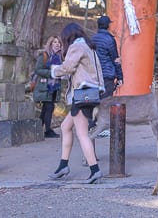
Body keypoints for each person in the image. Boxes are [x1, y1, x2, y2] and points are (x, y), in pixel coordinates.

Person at [48, 23, 105, 183]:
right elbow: (79, 71)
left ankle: (95, 170)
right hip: (90, 92)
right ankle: (63, 166)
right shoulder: (89, 47)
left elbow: (67, 68)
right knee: (65, 127)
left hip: (82, 94)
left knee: (82, 134)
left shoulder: (76, 47)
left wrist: (52, 70)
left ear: (68, 36)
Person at [33, 35, 64, 138]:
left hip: (55, 87)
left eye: (59, 42)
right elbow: (38, 69)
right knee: (49, 107)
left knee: (47, 108)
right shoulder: (45, 56)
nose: (57, 44)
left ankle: (38, 129)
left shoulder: (60, 57)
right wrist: (51, 73)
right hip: (45, 86)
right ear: (50, 44)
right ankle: (48, 130)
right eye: (55, 42)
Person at [91, 15, 123, 99]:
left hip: (94, 75)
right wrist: (120, 77)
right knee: (106, 103)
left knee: (94, 102)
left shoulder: (92, 39)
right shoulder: (109, 39)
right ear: (108, 26)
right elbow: (115, 59)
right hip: (107, 76)